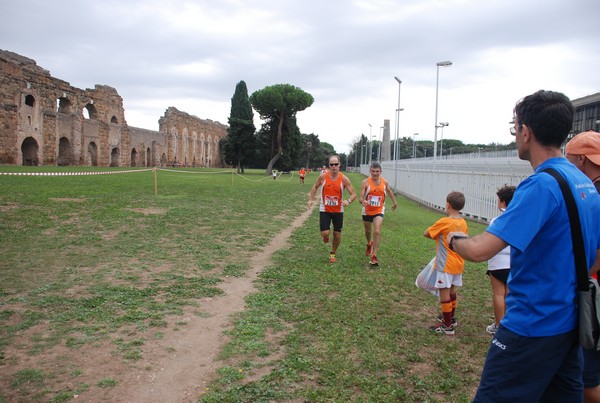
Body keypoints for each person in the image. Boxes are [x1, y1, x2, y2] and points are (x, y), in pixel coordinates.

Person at [447, 90, 600, 402]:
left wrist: (451, 238)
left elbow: (479, 250)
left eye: (515, 128)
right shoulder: (583, 182)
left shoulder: (540, 186)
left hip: (531, 325)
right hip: (570, 325)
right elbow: (594, 258)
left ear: (526, 132)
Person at [565, 130, 600, 402]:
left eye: (569, 160)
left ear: (582, 160)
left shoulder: (594, 194)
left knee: (589, 380)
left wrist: (572, 280)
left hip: (594, 298)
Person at [423, 191, 468, 335]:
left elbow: (427, 233)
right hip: (458, 263)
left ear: (447, 205)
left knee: (444, 293)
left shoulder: (444, 221)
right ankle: (451, 318)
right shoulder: (463, 222)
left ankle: (447, 325)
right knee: (452, 291)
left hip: (445, 264)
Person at [307, 155, 356, 263]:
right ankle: (325, 236)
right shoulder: (323, 177)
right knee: (325, 233)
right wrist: (311, 199)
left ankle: (333, 253)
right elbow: (315, 186)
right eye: (331, 164)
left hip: (338, 210)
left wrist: (348, 201)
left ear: (339, 165)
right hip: (325, 208)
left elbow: (353, 194)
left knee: (337, 234)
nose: (334, 166)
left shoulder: (344, 179)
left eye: (336, 164)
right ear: (329, 165)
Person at [484, 184, 516, 335]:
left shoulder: (497, 220)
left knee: (498, 293)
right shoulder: (520, 219)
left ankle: (498, 325)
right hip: (514, 263)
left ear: (503, 202)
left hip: (498, 263)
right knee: (509, 293)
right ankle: (509, 324)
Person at [358, 162, 398, 266]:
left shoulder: (384, 182)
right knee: (368, 231)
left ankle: (374, 255)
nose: (375, 174)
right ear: (370, 171)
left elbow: (389, 191)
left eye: (377, 171)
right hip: (367, 210)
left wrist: (394, 201)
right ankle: (369, 243)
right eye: (373, 171)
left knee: (376, 231)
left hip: (379, 210)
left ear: (381, 172)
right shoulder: (365, 182)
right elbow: (360, 198)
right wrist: (363, 201)